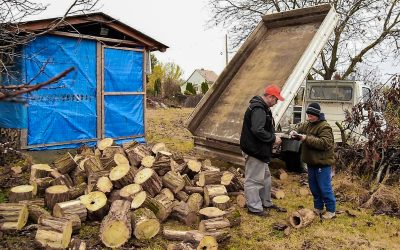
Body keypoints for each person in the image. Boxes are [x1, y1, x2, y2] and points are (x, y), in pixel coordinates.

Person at [240, 84, 287, 217]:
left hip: (260, 150)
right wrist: (273, 138)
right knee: (253, 180)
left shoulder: (263, 108)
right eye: (276, 99)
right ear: (271, 97)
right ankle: (254, 207)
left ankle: (266, 202)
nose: (276, 102)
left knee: (266, 178)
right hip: (254, 150)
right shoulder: (259, 108)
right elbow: (257, 129)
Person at [290, 102, 336, 219]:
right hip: (311, 163)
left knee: (324, 188)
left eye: (311, 116)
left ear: (317, 115)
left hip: (322, 163)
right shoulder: (308, 124)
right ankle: (318, 208)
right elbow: (298, 127)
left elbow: (325, 143)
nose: (309, 118)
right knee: (314, 187)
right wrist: (294, 132)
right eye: (308, 115)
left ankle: (331, 210)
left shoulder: (324, 126)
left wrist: (306, 138)